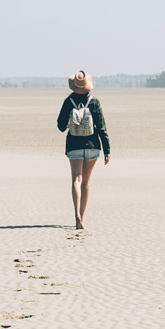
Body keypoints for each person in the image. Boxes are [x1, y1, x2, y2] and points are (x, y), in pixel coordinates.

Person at [56, 69, 110, 228]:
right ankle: (83, 217)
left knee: (76, 180)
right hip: (92, 146)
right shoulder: (94, 102)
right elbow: (102, 127)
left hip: (74, 145)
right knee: (86, 182)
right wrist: (107, 150)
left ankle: (76, 214)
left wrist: (70, 123)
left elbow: (60, 126)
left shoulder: (68, 101)